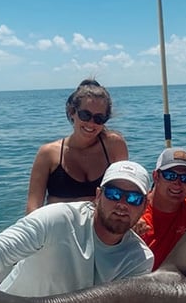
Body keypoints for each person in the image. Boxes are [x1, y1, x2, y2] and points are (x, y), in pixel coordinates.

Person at [0, 161, 154, 297]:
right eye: (114, 194)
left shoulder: (139, 259)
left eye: (134, 198)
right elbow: (0, 248)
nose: (122, 204)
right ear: (98, 195)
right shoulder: (58, 218)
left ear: (144, 206)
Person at [26, 78, 129, 214]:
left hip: (101, 231)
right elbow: (33, 209)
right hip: (59, 230)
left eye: (99, 118)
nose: (91, 123)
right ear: (72, 112)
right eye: (85, 115)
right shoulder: (49, 154)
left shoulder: (114, 145)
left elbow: (126, 191)